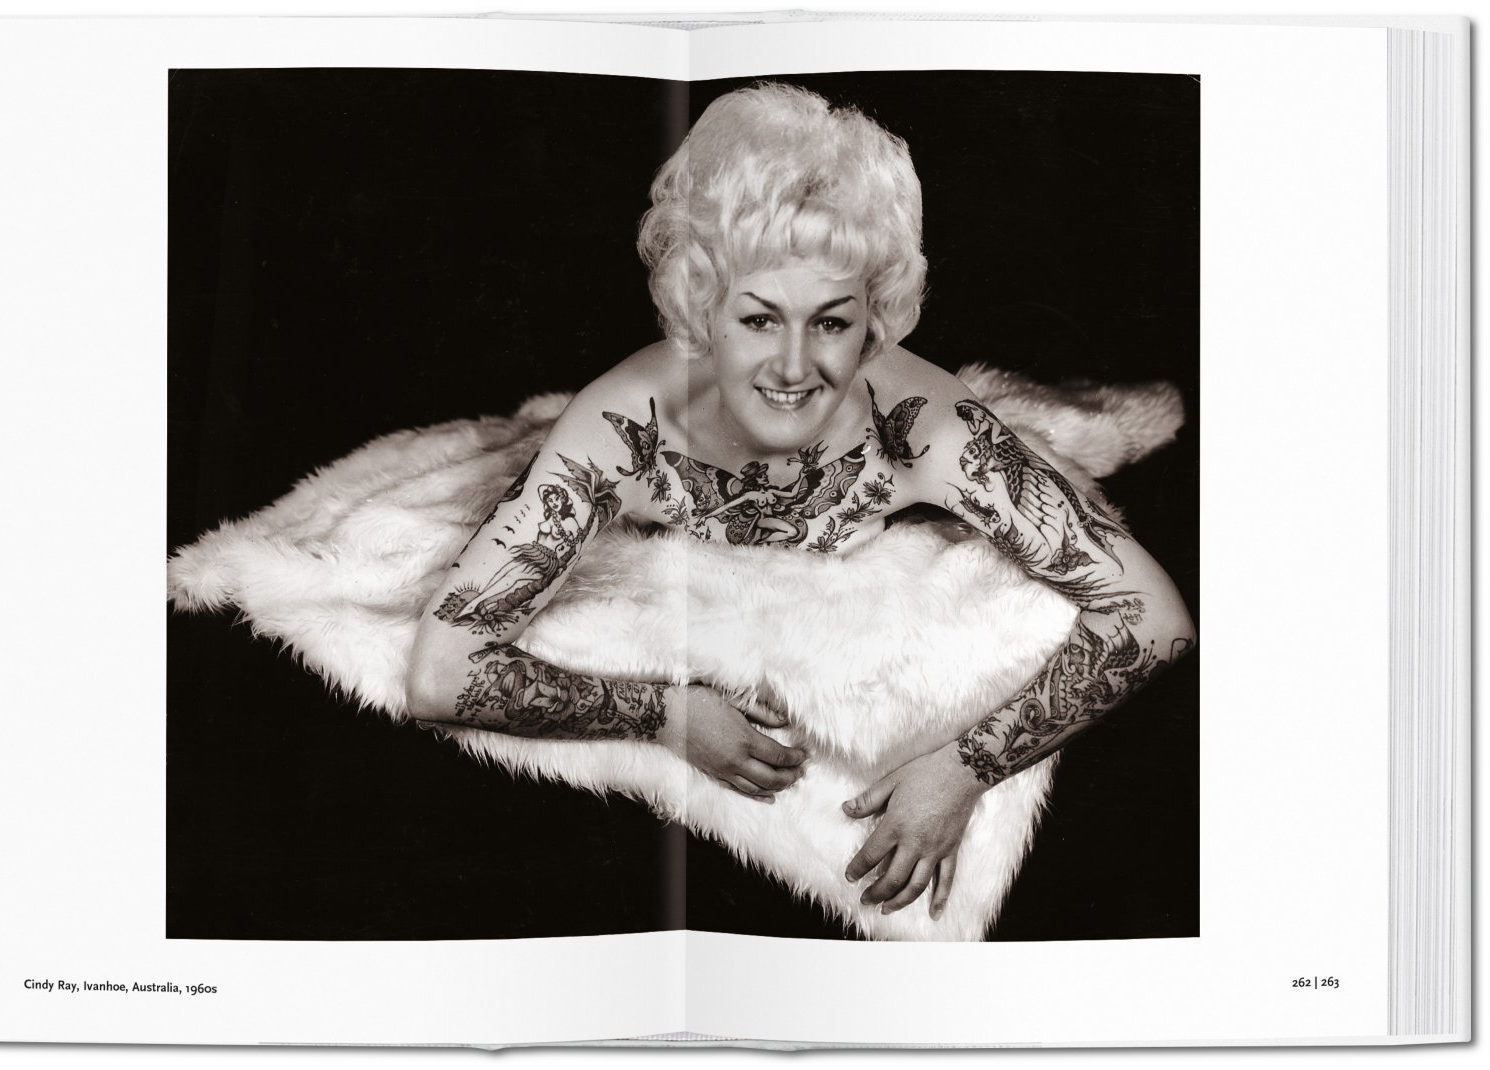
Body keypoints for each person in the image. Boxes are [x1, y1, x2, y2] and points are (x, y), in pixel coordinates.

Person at [405, 82, 1196, 920]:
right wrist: (664, 713)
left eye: (830, 323)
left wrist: (962, 768)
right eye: (758, 319)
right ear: (702, 307)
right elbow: (440, 672)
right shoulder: (619, 429)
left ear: (873, 322)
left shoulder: (922, 426)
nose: (792, 367)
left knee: (1075, 439)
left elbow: (1154, 617)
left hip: (962, 450)